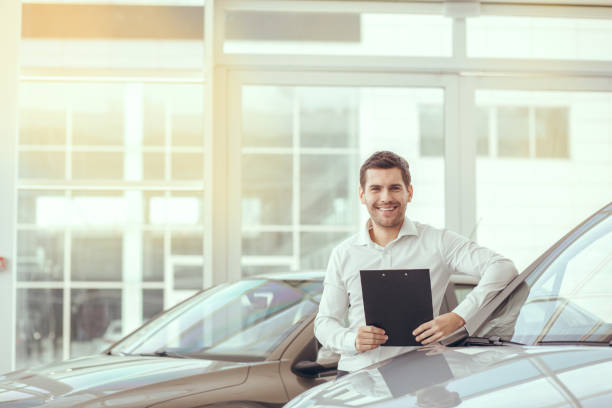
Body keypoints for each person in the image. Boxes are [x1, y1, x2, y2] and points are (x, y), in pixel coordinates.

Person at [314, 151, 518, 375]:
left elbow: (502, 267)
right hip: (358, 376)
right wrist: (352, 339)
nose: (385, 197)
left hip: (421, 380)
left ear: (409, 192)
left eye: (394, 188)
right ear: (362, 195)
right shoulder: (344, 254)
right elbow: (324, 323)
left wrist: (459, 317)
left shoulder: (437, 241)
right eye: (376, 189)